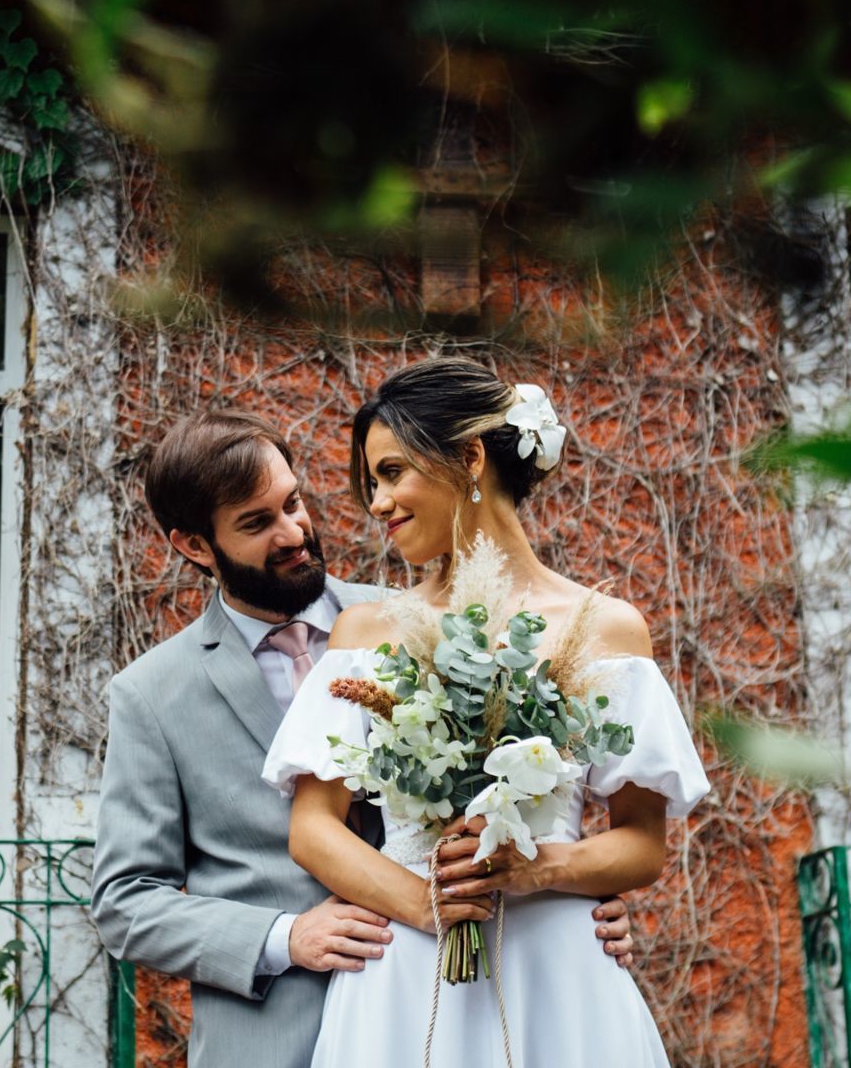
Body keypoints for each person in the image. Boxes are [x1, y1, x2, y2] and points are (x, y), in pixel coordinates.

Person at [91, 410, 638, 1068]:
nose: (294, 533)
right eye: (258, 524)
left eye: (292, 503)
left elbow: (521, 782)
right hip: (274, 1037)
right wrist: (284, 937)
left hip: (452, 1005)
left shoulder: (421, 620)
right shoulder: (152, 694)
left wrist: (575, 901)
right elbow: (125, 902)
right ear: (194, 546)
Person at [264, 358, 711, 1067]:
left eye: (391, 473)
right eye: (372, 483)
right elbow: (314, 828)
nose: (377, 503)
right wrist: (426, 904)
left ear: (469, 457)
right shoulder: (368, 634)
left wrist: (536, 869)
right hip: (408, 974)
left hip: (557, 973)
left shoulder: (606, 629)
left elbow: (641, 843)